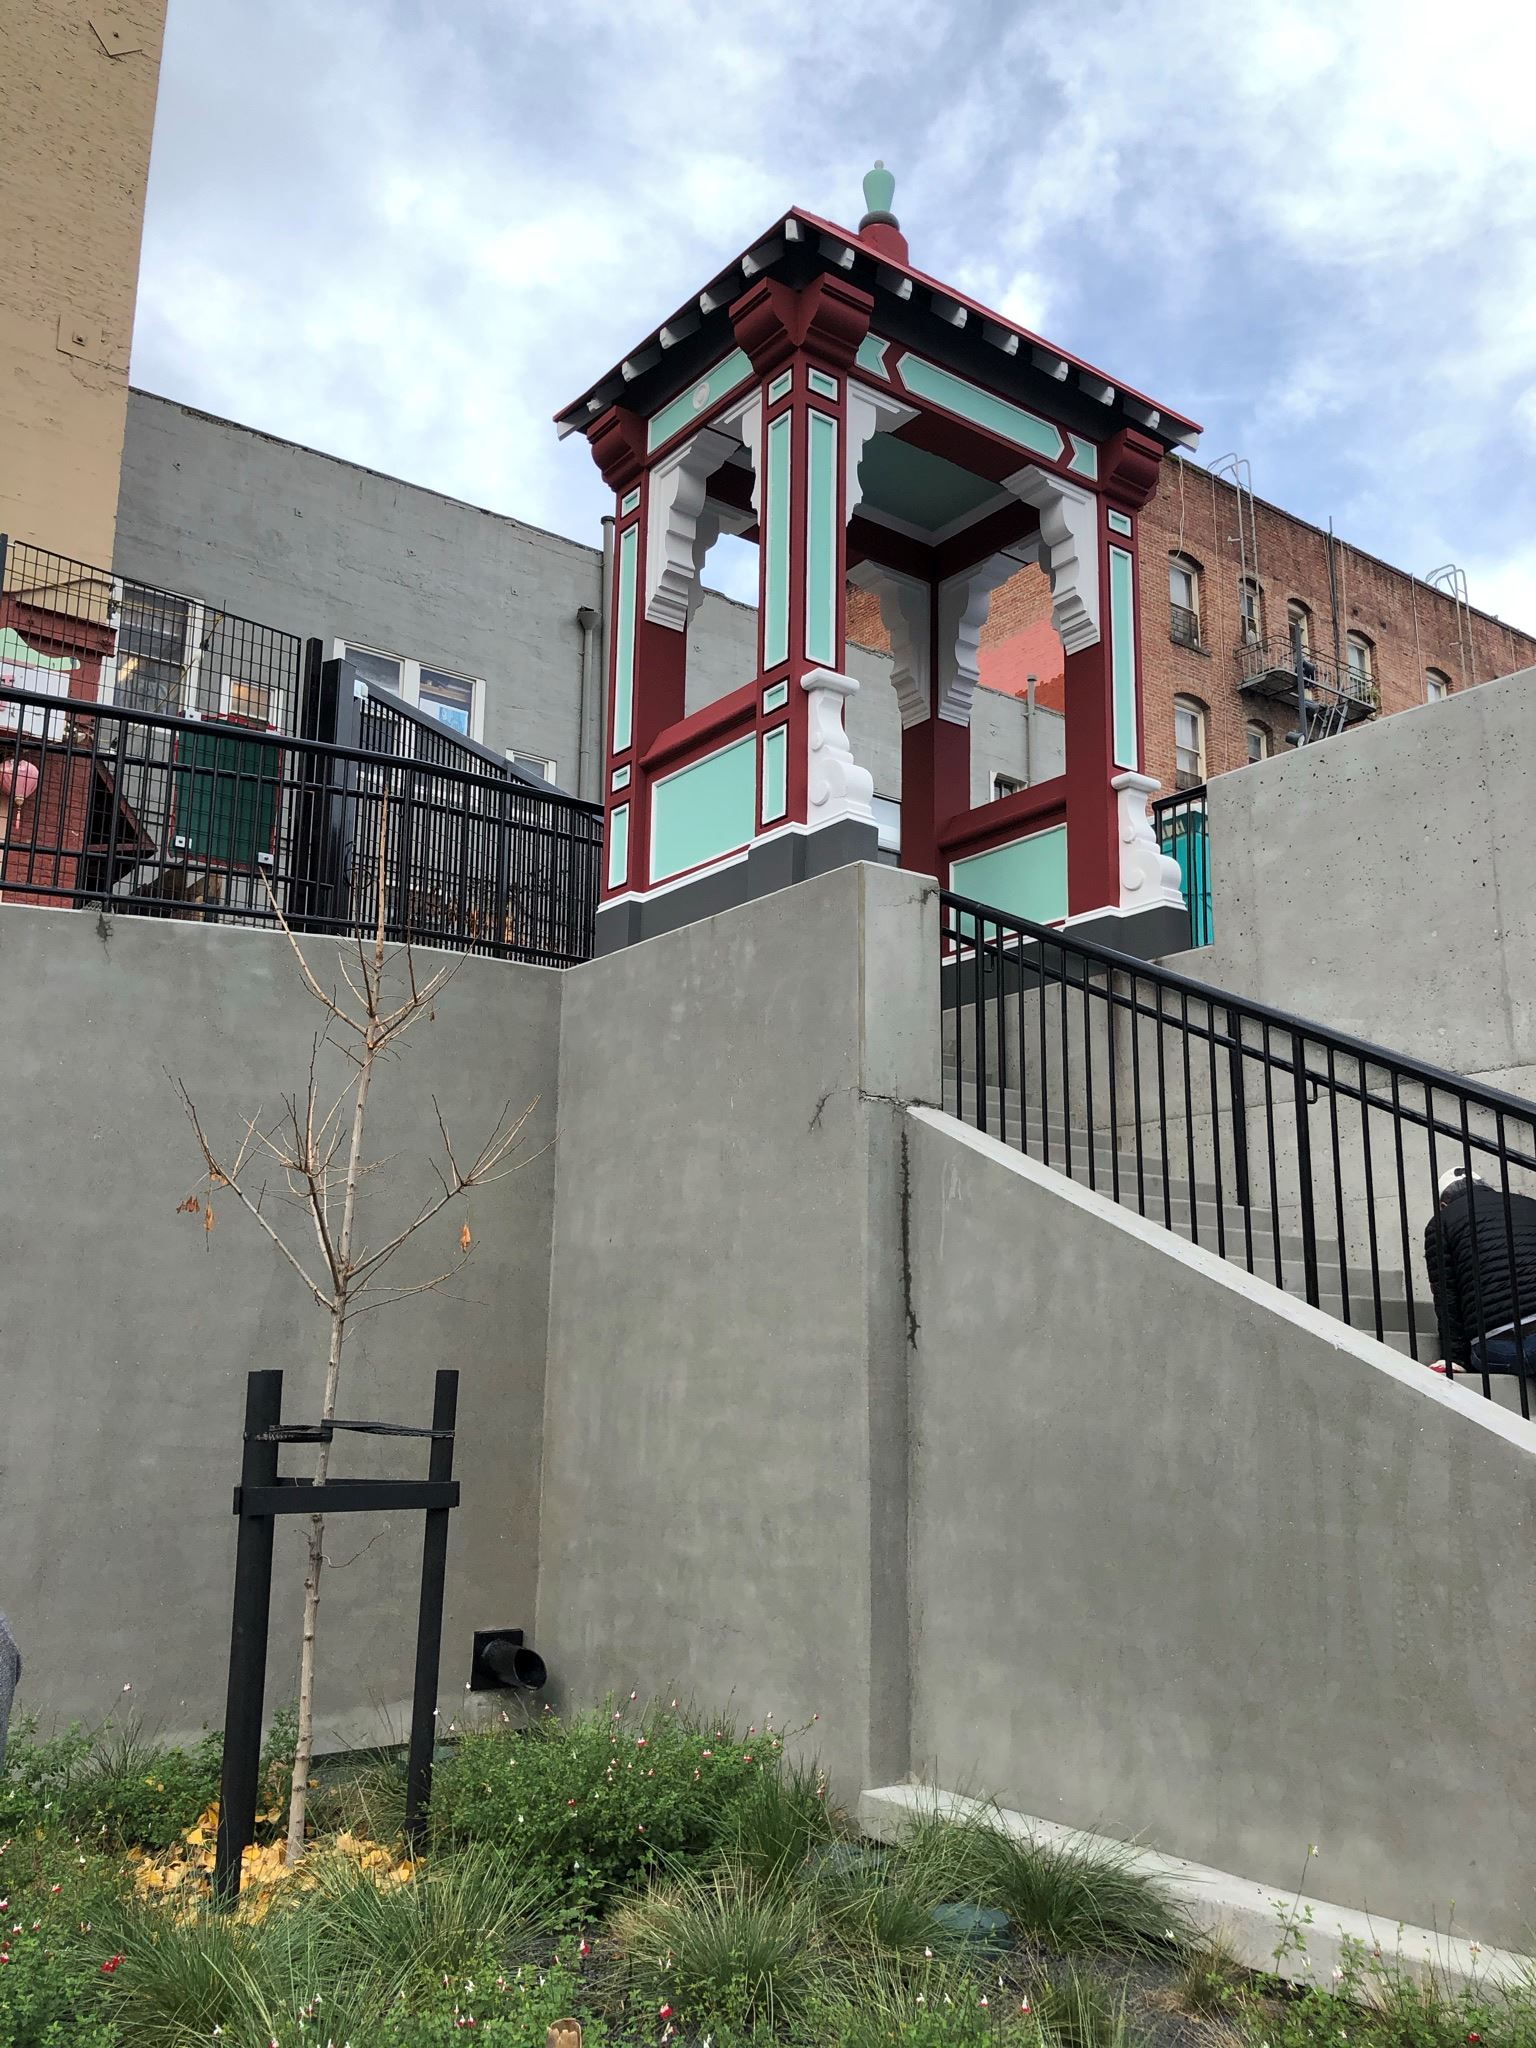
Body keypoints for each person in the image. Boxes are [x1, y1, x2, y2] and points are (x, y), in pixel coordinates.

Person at [1424, 1165, 1536, 1378]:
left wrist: (1455, 1358)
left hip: (1498, 1347)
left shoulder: (1441, 1223)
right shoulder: (1528, 1204)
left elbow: (1447, 1297)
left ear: (1443, 1204)